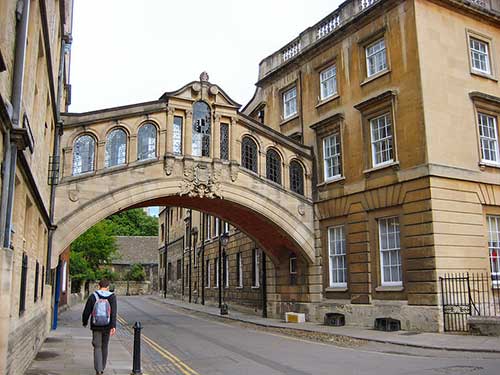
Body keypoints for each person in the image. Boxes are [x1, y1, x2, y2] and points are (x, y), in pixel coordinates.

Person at [82, 279, 117, 375]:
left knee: (97, 346)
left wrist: (84, 322)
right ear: (108, 287)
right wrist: (113, 326)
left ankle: (98, 369)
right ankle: (102, 368)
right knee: (104, 346)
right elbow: (113, 312)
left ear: (99, 286)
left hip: (96, 325)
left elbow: (86, 311)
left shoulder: (93, 296)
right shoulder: (112, 297)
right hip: (107, 325)